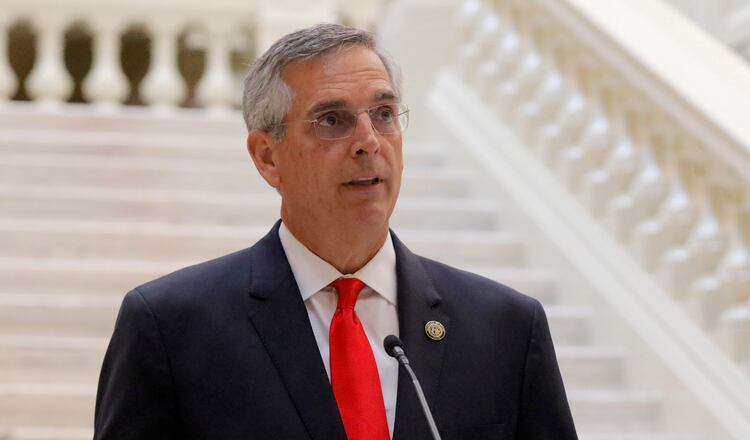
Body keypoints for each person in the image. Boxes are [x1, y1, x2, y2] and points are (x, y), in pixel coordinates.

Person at [94, 23, 577, 440]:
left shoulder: (506, 328)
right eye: (332, 120)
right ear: (267, 156)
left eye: (384, 114)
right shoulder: (171, 327)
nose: (369, 142)